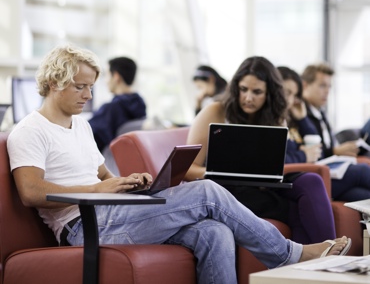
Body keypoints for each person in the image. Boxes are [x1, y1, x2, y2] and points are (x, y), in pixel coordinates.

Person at [7, 45, 350, 284]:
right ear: (53, 83)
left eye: (91, 87)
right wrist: (99, 189)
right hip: (85, 229)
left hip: (114, 212)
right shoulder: (29, 131)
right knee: (208, 193)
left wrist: (126, 181)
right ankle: (290, 255)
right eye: (80, 87)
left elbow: (101, 175)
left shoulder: (79, 125)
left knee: (215, 231)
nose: (88, 95)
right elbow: (31, 192)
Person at [186, 56, 339, 244]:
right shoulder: (216, 111)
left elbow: (273, 165)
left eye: (257, 92)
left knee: (312, 181)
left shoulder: (275, 117)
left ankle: (325, 256)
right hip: (225, 189)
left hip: (260, 186)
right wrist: (226, 173)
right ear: (236, 88)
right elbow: (188, 169)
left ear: (269, 94)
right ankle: (323, 259)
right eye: (243, 89)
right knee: (297, 210)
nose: (248, 97)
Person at [282, 64, 370, 202]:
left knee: (362, 195)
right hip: (306, 176)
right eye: (322, 86)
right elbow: (315, 152)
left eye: (329, 86)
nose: (327, 91)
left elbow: (317, 150)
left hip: (320, 171)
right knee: (362, 171)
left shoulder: (318, 113)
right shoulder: (291, 116)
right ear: (305, 86)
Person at [88, 56, 146, 151]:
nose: (106, 81)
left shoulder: (110, 109)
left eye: (107, 75)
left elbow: (84, 134)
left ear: (116, 76)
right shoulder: (140, 105)